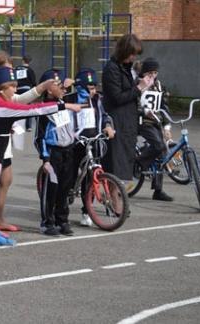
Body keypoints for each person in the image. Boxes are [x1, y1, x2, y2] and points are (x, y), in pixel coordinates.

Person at [0, 66, 81, 248]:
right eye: (12, 86)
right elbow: (34, 110)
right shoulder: (0, 105)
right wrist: (66, 105)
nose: (15, 90)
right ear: (1, 88)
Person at [0, 50, 54, 233]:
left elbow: (16, 100)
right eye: (6, 70)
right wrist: (40, 89)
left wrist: (39, 89)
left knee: (5, 180)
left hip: (2, 138)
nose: (10, 75)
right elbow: (16, 103)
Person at [35, 69, 83, 236]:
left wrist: (75, 82)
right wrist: (45, 158)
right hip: (53, 153)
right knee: (51, 189)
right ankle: (47, 222)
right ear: (48, 89)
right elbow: (39, 137)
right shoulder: (43, 110)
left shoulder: (66, 101)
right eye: (58, 84)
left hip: (68, 151)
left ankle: (62, 220)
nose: (63, 87)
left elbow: (85, 92)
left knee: (65, 188)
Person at [101, 34, 155, 182]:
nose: (134, 58)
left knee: (124, 170)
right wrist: (139, 88)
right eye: (132, 54)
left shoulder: (127, 68)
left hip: (128, 124)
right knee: (115, 170)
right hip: (117, 123)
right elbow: (117, 97)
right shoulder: (112, 69)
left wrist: (143, 88)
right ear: (124, 51)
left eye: (136, 54)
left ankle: (118, 202)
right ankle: (117, 203)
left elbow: (130, 95)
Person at [73, 68, 115, 226]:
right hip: (76, 144)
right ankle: (61, 204)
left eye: (94, 87)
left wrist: (108, 126)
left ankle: (86, 210)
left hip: (93, 142)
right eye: (89, 88)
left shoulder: (98, 100)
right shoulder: (73, 99)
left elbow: (104, 116)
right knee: (70, 175)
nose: (93, 90)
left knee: (91, 179)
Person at [136, 58, 174, 201]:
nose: (152, 76)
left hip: (155, 122)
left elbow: (164, 108)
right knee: (158, 146)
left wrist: (166, 126)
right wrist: (143, 111)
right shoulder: (138, 84)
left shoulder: (159, 86)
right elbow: (134, 104)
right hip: (142, 121)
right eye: (150, 73)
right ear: (144, 72)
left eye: (155, 73)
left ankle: (158, 190)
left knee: (162, 152)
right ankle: (139, 162)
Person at [16, 55, 37, 131]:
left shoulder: (17, 68)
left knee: (16, 106)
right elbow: (33, 82)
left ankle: (16, 124)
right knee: (28, 107)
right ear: (30, 62)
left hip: (17, 89)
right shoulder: (30, 70)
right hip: (26, 89)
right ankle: (28, 126)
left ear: (22, 60)